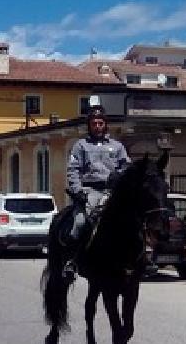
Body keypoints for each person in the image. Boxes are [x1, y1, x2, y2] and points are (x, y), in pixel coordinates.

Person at [64, 102, 131, 279]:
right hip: (89, 191)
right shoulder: (80, 146)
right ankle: (72, 260)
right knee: (79, 223)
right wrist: (77, 190)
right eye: (94, 123)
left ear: (105, 124)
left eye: (100, 123)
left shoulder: (117, 146)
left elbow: (126, 167)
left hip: (112, 192)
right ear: (89, 125)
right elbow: (73, 170)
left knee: (132, 220)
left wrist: (120, 175)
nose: (97, 126)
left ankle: (139, 258)